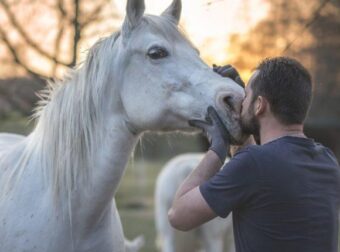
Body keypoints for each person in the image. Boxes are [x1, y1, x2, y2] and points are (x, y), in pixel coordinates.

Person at [168, 57, 340, 252]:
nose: (241, 103)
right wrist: (242, 113)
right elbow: (259, 165)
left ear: (259, 105)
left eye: (246, 96)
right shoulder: (327, 161)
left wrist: (217, 149)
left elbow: (178, 216)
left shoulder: (253, 164)